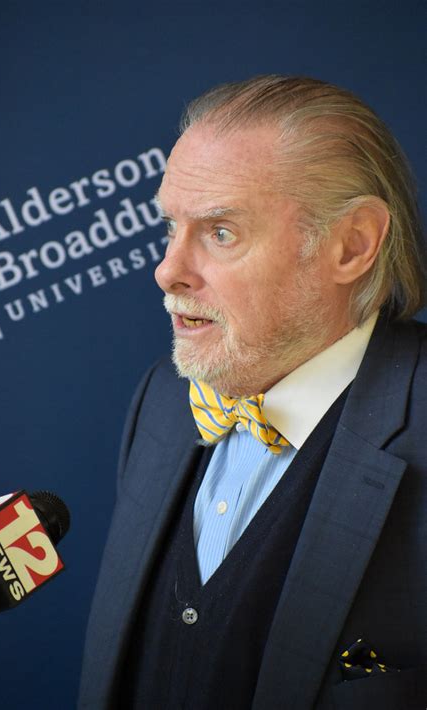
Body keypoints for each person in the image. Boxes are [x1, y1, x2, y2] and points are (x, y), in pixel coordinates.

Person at [79, 75, 427, 709]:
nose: (167, 270)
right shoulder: (161, 400)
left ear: (351, 245)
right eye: (170, 228)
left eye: (220, 233)